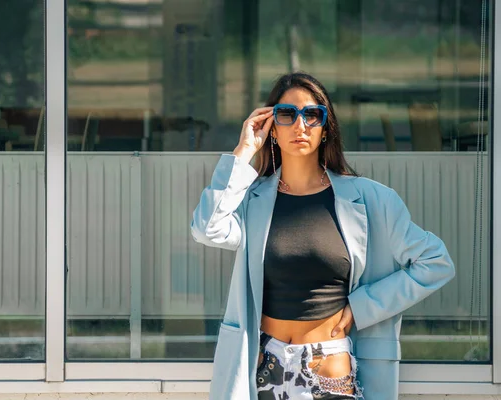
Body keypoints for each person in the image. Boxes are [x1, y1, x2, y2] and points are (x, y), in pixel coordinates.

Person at [190, 72, 455, 400]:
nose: (300, 126)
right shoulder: (251, 200)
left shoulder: (372, 200)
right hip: (262, 369)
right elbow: (206, 228)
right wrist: (242, 154)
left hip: (328, 369)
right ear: (272, 128)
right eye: (287, 115)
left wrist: (362, 308)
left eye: (312, 115)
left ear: (326, 128)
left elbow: (436, 262)